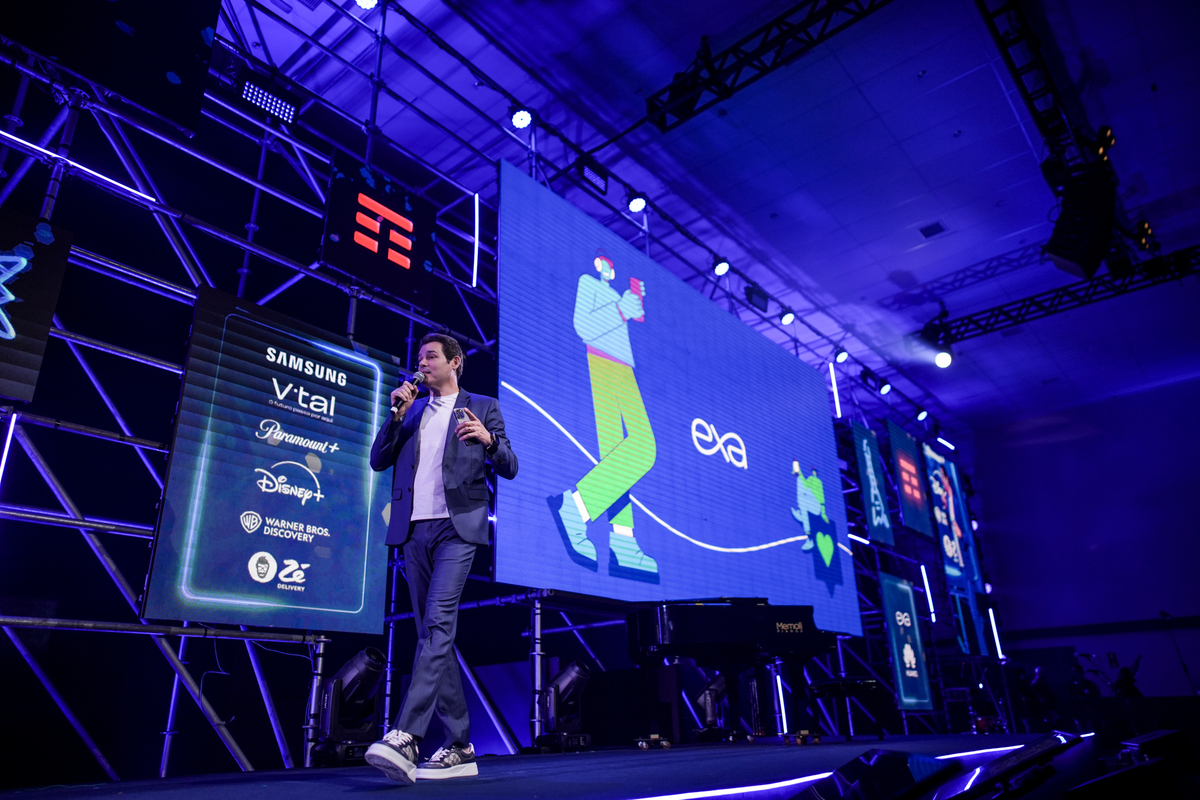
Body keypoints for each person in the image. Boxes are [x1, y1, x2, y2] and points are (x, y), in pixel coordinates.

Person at [364, 333, 518, 784]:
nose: (422, 363)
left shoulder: (482, 406)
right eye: (419, 357)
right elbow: (378, 461)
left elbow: (510, 465)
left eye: (431, 356)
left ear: (455, 362)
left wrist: (489, 440)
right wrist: (395, 414)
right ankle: (461, 745)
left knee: (437, 624)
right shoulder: (410, 411)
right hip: (413, 530)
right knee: (435, 635)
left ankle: (406, 735)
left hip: (458, 528)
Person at [548, 251, 658, 581]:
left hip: (621, 364)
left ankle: (623, 542)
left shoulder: (616, 294)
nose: (610, 268)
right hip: (605, 362)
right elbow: (583, 325)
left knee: (614, 457)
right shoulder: (589, 283)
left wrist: (630, 307)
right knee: (643, 448)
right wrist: (622, 309)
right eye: (606, 263)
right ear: (598, 265)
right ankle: (575, 506)